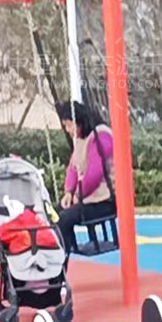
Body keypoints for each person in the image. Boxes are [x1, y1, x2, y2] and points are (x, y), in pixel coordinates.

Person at [55, 101, 116, 252]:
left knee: (66, 217)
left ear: (79, 122)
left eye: (69, 125)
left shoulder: (101, 136)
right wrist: (69, 192)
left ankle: (64, 254)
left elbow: (94, 174)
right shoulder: (79, 139)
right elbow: (73, 168)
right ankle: (63, 250)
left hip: (104, 200)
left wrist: (78, 195)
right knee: (54, 213)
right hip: (87, 197)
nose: (68, 130)